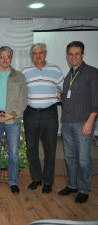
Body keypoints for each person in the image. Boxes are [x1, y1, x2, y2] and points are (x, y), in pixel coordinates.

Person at [59, 41, 98, 203]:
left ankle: (84, 188)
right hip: (67, 122)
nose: (73, 57)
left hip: (83, 122)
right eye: (71, 54)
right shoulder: (69, 75)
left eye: (77, 54)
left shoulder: (92, 72)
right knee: (70, 157)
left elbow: (96, 100)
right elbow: (72, 96)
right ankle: (73, 184)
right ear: (68, 56)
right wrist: (61, 97)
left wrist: (90, 122)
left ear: (82, 55)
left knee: (83, 158)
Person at [0, 46, 27, 194]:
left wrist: (12, 114)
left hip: (12, 119)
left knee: (14, 153)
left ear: (11, 58)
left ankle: (13, 181)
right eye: (1, 57)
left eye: (7, 57)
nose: (4, 59)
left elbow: (23, 100)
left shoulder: (19, 77)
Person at [22, 43, 64, 194]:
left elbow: (64, 89)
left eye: (41, 53)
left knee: (50, 149)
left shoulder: (55, 70)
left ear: (45, 54)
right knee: (31, 148)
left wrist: (60, 95)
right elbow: (20, 92)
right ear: (31, 55)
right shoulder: (25, 71)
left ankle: (48, 181)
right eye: (35, 53)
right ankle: (36, 179)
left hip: (49, 113)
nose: (38, 55)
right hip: (31, 113)